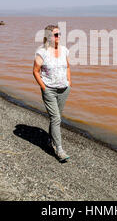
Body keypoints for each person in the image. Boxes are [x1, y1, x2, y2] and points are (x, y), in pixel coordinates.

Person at [33, 24, 72, 162]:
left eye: (60, 34)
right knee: (56, 118)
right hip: (49, 89)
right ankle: (59, 149)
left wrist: (69, 82)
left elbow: (67, 66)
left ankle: (50, 140)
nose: (59, 36)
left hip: (64, 89)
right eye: (56, 34)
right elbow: (35, 71)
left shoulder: (64, 50)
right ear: (49, 37)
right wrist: (43, 87)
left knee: (56, 117)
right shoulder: (42, 52)